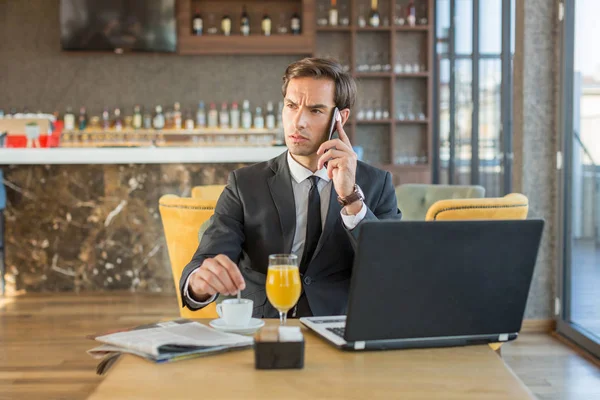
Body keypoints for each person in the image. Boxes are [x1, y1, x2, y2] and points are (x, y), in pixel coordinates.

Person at [180, 57, 402, 318]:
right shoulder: (245, 183)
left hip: (340, 324)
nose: (298, 122)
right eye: (292, 106)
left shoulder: (376, 184)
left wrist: (351, 199)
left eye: (315, 110)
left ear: (339, 118)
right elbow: (209, 255)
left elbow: (391, 270)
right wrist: (199, 283)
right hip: (263, 324)